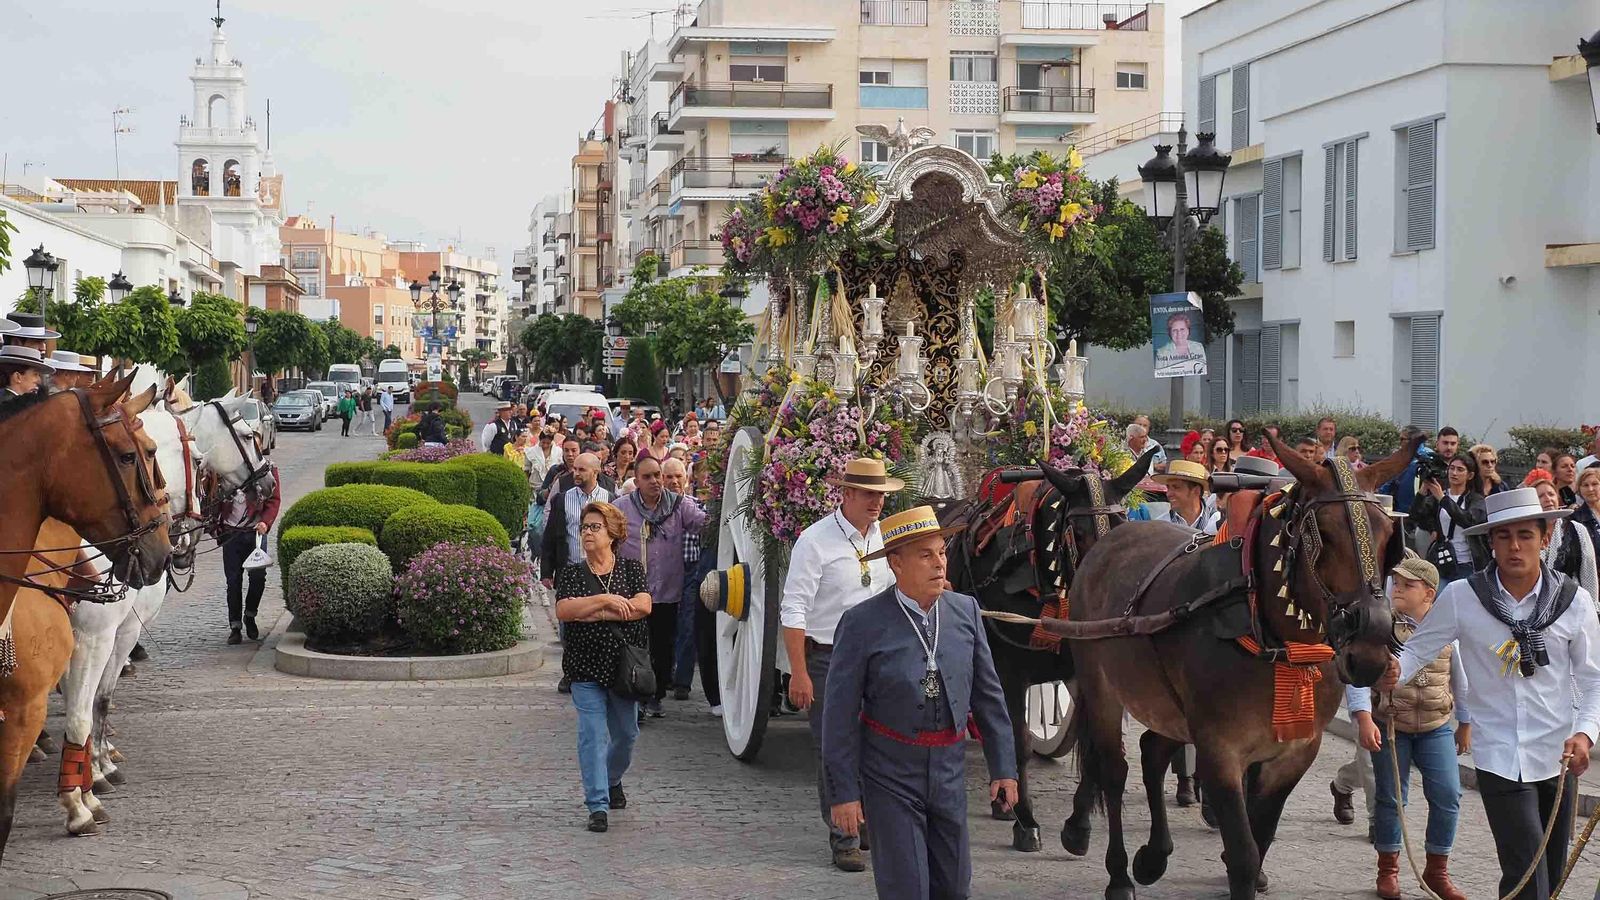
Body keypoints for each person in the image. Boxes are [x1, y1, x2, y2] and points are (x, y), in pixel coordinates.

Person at [1379, 487, 1600, 900]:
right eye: (1504, 536)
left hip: (1558, 754)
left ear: (1545, 538)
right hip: (1499, 754)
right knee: (1524, 872)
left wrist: (1585, 734)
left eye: (1525, 535)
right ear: (1491, 542)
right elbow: (1417, 650)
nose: (1514, 546)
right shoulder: (1463, 597)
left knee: (1552, 874)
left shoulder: (1574, 602)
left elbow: (1593, 679)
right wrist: (1392, 672)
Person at [822, 505, 1018, 899]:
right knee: (906, 888)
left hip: (949, 771)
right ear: (896, 563)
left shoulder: (965, 612)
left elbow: (989, 696)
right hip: (889, 775)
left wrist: (1004, 768)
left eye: (941, 552)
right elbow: (838, 716)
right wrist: (843, 793)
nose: (940, 563)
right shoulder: (861, 623)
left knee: (955, 887)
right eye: (926, 555)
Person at [780, 457, 901, 872]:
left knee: (878, 742)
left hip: (878, 657)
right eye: (868, 494)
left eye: (881, 495)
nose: (877, 502)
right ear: (846, 494)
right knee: (835, 745)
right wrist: (798, 671)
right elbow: (794, 608)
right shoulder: (815, 541)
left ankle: (863, 818)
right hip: (828, 656)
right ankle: (843, 835)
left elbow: (895, 592)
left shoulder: (886, 536)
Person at [1351, 553, 1471, 900]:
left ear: (1429, 593)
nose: (1398, 589)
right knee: (1391, 797)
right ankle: (1388, 870)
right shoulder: (1381, 628)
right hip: (1392, 725)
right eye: (1397, 583)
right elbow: (1358, 676)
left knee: (1448, 794)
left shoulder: (1449, 629)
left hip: (1436, 726)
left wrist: (1465, 722)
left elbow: (1461, 680)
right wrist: (1363, 717)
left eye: (1408, 585)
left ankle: (1437, 871)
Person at [554, 500, 651, 834]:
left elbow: (643, 606)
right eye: (584, 527)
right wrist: (607, 601)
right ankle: (597, 804)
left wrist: (590, 612)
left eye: (595, 527)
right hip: (584, 667)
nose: (587, 533)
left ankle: (611, 779)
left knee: (626, 735)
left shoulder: (631, 569)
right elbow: (565, 611)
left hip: (623, 669)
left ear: (613, 533)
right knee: (592, 735)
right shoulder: (572, 573)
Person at [618, 456, 706, 720]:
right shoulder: (621, 507)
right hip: (633, 592)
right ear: (636, 480)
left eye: (657, 475)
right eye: (647, 477)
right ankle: (636, 698)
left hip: (667, 591)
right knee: (635, 647)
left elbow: (704, 524)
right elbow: (605, 535)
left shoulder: (678, 505)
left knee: (662, 648)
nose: (655, 481)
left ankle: (655, 697)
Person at [215, 457, 281, 645]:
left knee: (258, 578)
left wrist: (265, 522)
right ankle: (235, 626)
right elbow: (212, 498)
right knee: (233, 581)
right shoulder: (224, 468)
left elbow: (274, 500)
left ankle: (250, 615)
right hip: (231, 534)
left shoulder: (267, 469)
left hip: (255, 534)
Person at [1413, 453, 1488, 585]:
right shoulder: (1439, 496)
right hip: (1442, 561)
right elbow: (1415, 516)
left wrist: (1443, 499)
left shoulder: (1476, 500)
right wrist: (1423, 490)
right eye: (1451, 468)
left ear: (1470, 475)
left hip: (1467, 563)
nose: (1454, 473)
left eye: (1460, 469)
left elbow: (1468, 521)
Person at [541, 453, 613, 591]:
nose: (576, 473)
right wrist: (546, 572)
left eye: (582, 470)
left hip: (602, 572)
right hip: (569, 571)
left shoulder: (610, 500)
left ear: (595, 472)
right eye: (575, 469)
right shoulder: (561, 500)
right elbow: (550, 537)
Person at [1527, 470, 1600, 602]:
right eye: (1541, 496)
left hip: (1572, 603)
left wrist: (1592, 608)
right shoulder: (1526, 534)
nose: (1548, 499)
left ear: (1557, 498)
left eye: (1551, 494)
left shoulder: (1577, 529)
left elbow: (1589, 573)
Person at [1155, 460, 1218, 534]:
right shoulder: (1160, 526)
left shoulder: (1217, 521)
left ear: (1196, 491)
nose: (1168, 494)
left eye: (1176, 487)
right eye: (1168, 488)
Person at [1154, 311, 1206, 376]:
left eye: (1182, 329)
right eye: (1174, 330)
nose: (1179, 333)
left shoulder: (1199, 347)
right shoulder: (1161, 353)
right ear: (1170, 333)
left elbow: (1202, 368)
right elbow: (1160, 373)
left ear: (1188, 331)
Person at [1571, 465, 1600, 552]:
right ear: (1579, 489)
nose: (1590, 489)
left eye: (1595, 484)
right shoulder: (1575, 518)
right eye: (1585, 485)